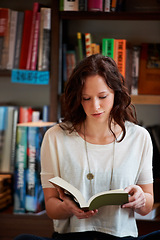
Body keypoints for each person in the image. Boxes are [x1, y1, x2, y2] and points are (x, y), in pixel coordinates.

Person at [14, 54, 160, 240]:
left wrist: (140, 199)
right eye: (86, 98)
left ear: (116, 93)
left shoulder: (139, 137)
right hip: (72, 236)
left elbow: (147, 204)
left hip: (121, 237)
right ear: (78, 98)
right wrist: (66, 208)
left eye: (102, 96)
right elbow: (51, 206)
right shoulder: (56, 137)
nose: (95, 106)